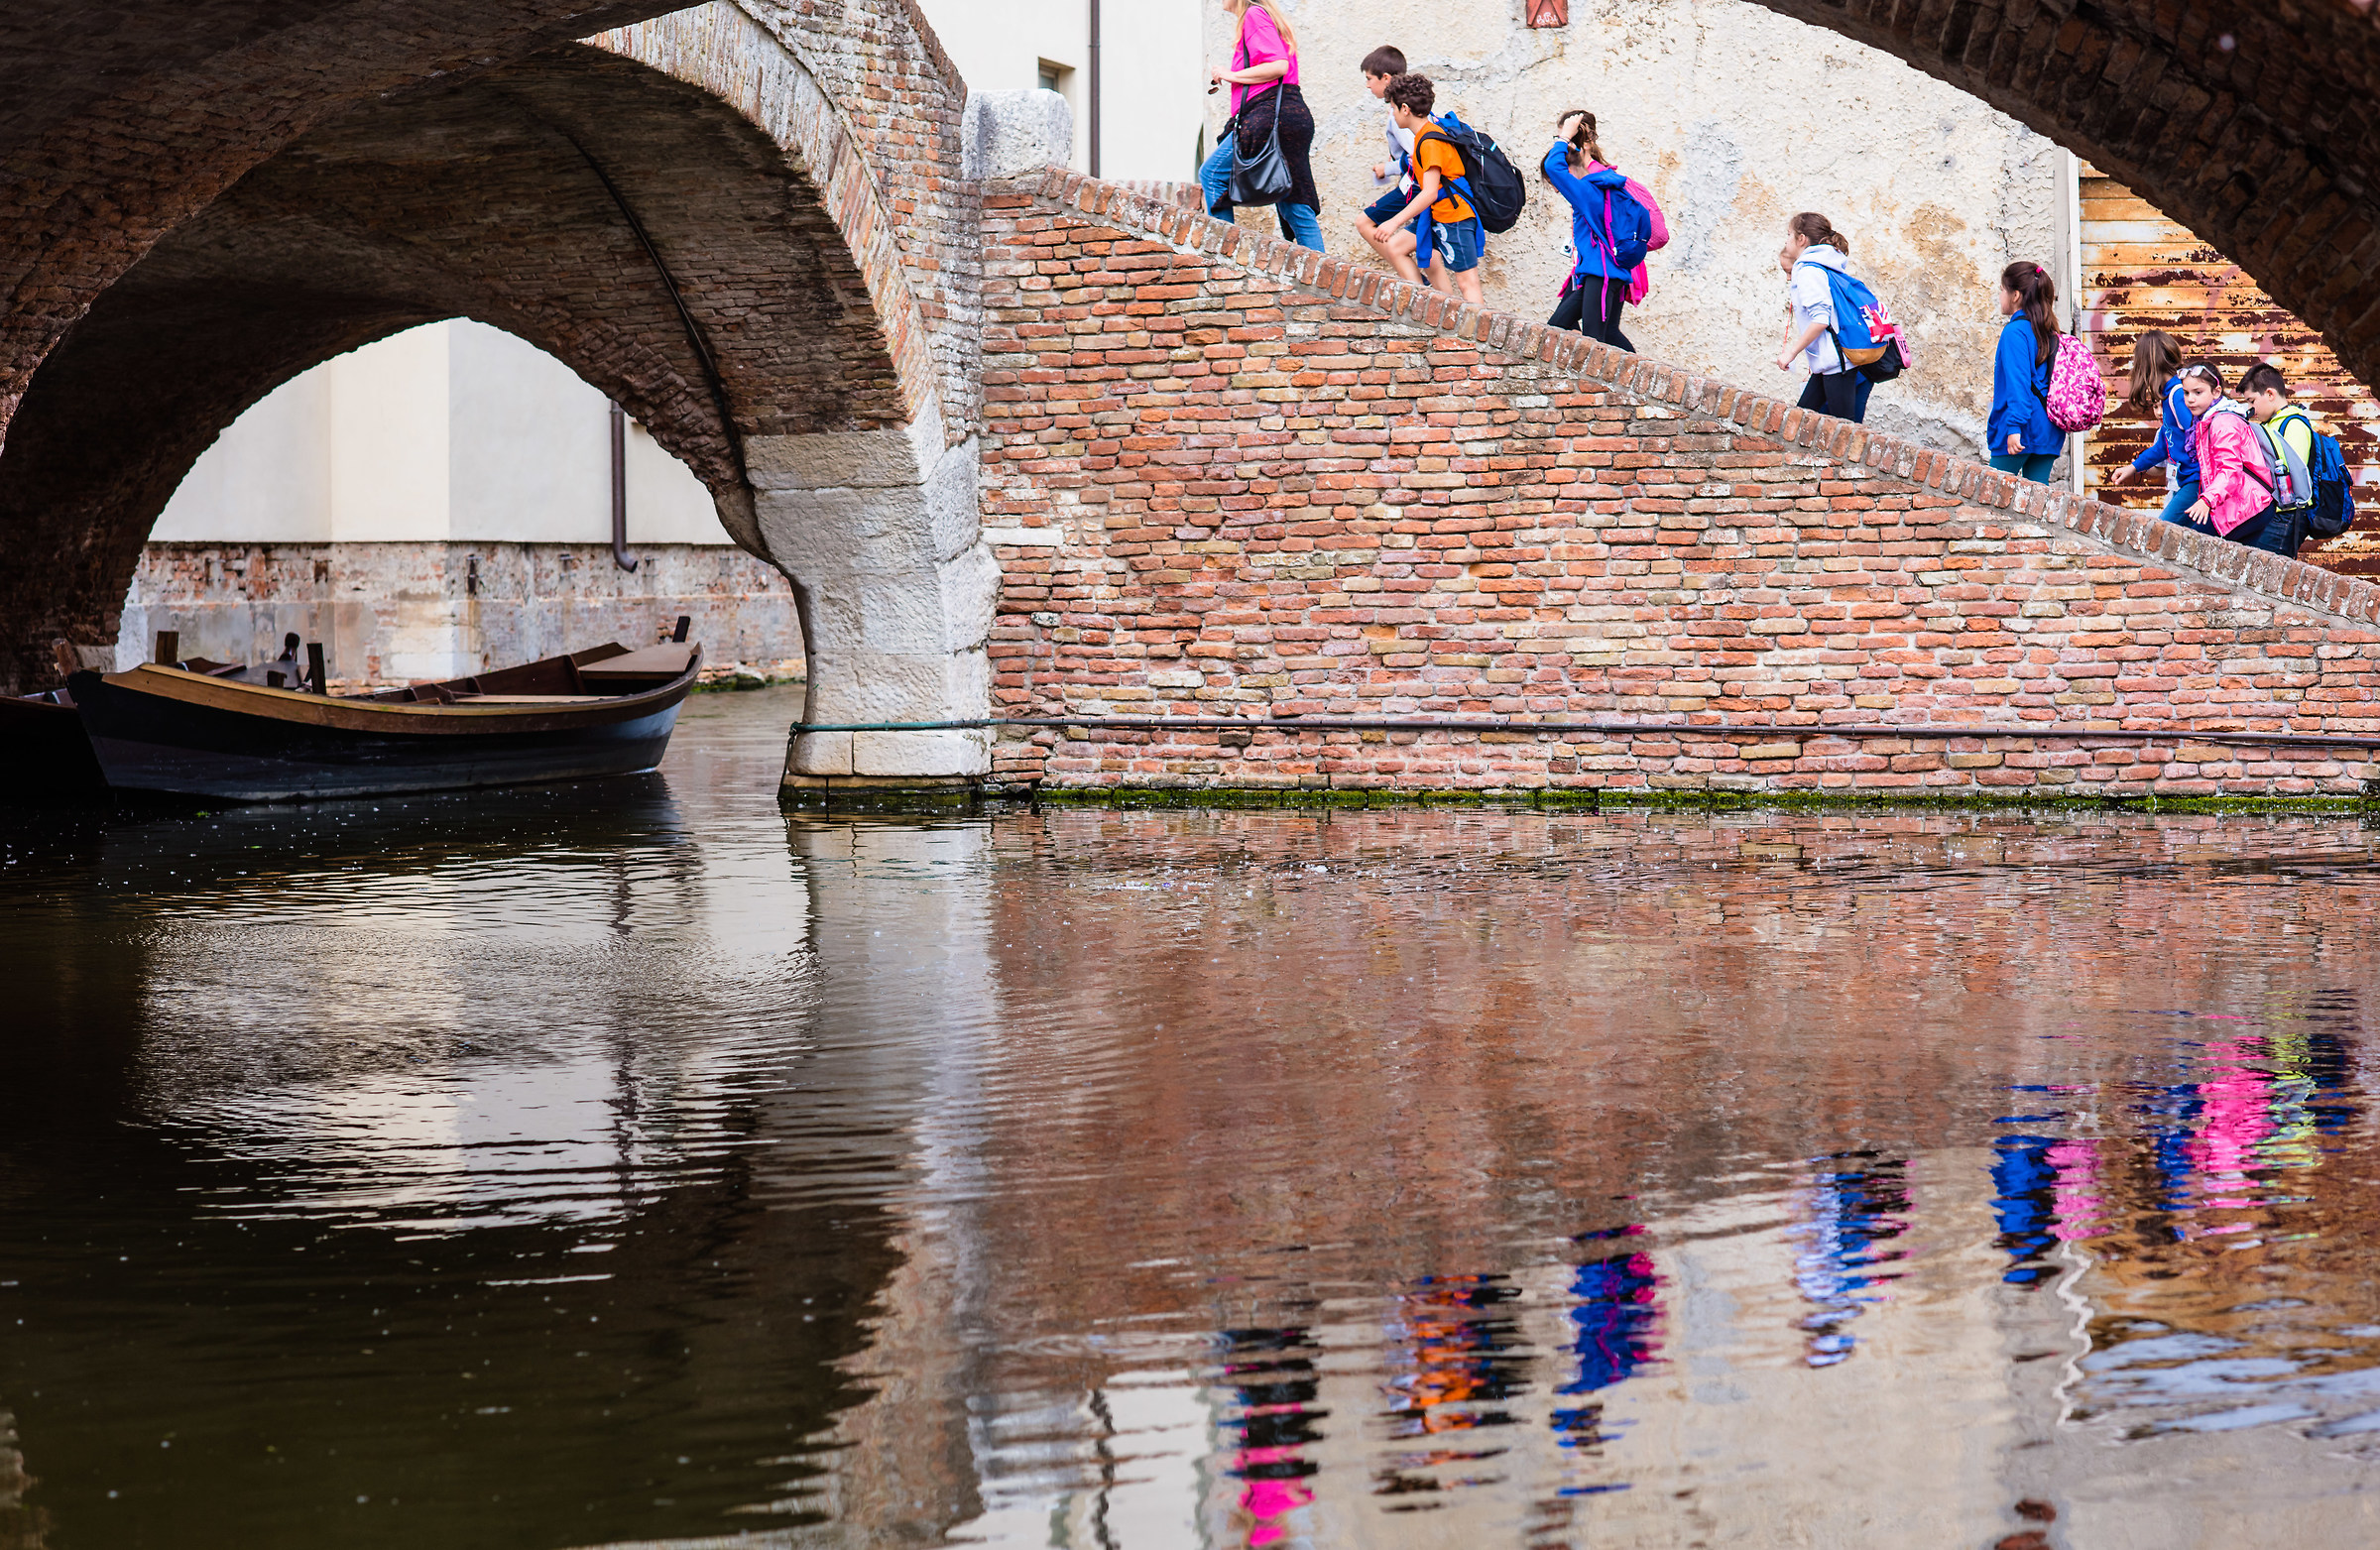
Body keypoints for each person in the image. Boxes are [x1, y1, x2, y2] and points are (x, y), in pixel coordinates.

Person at [1200, 1, 1322, 252]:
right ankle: (1326, 277)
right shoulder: (1262, 16)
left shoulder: (1254, 15)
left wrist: (1228, 74)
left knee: (1211, 174)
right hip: (1287, 115)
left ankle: (1225, 256)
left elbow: (1278, 66)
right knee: (1293, 201)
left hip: (1268, 117)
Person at [1540, 110, 1667, 350]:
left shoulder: (1591, 187)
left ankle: (1635, 381)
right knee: (1573, 330)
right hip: (1599, 270)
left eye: (1565, 140)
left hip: (1604, 273)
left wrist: (1563, 137)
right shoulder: (1603, 182)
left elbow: (1553, 167)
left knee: (1595, 344)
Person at [1373, 74, 1483, 305]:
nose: (1392, 114)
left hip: (1454, 217)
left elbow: (1430, 192)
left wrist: (1393, 222)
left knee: (1467, 283)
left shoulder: (1430, 141)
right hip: (1436, 216)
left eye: (1393, 108)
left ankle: (1479, 340)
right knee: (1396, 247)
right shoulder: (1424, 136)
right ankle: (1437, 311)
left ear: (1405, 109)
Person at [2179, 361, 2294, 553]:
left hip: (2248, 505)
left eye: (2198, 392)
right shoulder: (2208, 420)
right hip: (2241, 503)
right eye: (2186, 393)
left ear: (2216, 392)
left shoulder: (2223, 422)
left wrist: (2207, 500)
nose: (2190, 399)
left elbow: (2230, 470)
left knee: (2190, 549)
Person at [1775, 212, 1872, 422]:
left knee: (1845, 434)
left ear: (1801, 239)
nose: (1786, 240)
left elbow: (1821, 319)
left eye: (1789, 234)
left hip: (1836, 363)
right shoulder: (1823, 264)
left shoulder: (1809, 270)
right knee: (1800, 422)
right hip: (1829, 363)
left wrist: (1790, 353)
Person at [2106, 329, 2198, 523]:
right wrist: (2133, 468)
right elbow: (2163, 446)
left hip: (2195, 481)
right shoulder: (2168, 396)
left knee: (2163, 532)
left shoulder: (2176, 396)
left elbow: (2197, 434)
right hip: (2187, 481)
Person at [1988, 261, 2065, 483]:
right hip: (2048, 431)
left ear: (2015, 296)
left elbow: (2018, 385)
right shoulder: (2049, 331)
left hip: (2019, 431)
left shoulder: (2014, 332)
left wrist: (2014, 428)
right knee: (2039, 506)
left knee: (1991, 496)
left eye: (2002, 290)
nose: (2000, 295)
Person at [2237, 360, 2316, 555]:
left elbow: (2293, 474)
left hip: (2284, 516)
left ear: (2270, 394)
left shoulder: (2294, 425)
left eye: (2252, 401)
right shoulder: (2268, 425)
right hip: (2268, 514)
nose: (2251, 409)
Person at [1351, 47, 1414, 261]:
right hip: (1419, 186)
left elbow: (1419, 157)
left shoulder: (1400, 114)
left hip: (1416, 186)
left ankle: (1414, 279)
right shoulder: (1409, 107)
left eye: (1369, 79)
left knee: (1364, 222)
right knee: (1428, 249)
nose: (1367, 85)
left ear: (1385, 78)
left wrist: (1387, 169)